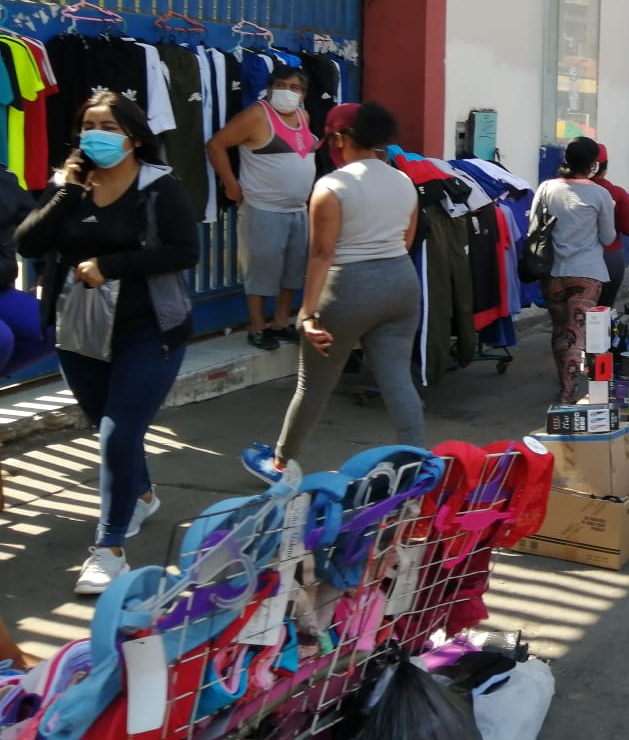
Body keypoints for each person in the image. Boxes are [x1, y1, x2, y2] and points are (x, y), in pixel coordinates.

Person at [16, 92, 199, 595]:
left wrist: (111, 266)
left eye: (108, 126)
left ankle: (109, 548)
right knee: (109, 426)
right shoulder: (69, 186)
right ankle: (140, 494)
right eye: (88, 124)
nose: (95, 133)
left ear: (134, 137)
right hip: (80, 331)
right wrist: (66, 193)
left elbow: (186, 252)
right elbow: (27, 244)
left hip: (148, 330)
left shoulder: (159, 188)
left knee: (117, 434)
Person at [241, 103, 423, 483]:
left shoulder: (331, 186)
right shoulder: (404, 181)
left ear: (340, 138)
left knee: (312, 385)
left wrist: (306, 313)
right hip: (401, 284)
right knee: (397, 380)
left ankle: (280, 464)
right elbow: (405, 241)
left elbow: (322, 254)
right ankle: (419, 467)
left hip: (348, 288)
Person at [207, 65, 317, 351]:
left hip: (297, 209)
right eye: (281, 85)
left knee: (292, 271)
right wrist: (231, 184)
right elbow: (217, 145)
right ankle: (257, 327)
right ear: (270, 88)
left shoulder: (303, 116)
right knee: (261, 269)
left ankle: (281, 322)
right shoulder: (256, 115)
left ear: (303, 93)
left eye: (294, 88)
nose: (287, 92)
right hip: (263, 207)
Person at [532, 137, 617, 403]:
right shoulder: (600, 194)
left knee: (559, 330)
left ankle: (564, 381)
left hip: (553, 272)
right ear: (593, 164)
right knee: (576, 333)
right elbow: (607, 237)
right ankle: (569, 393)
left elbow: (533, 230)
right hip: (587, 273)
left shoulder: (546, 188)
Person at [0, 168, 51, 377]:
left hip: (1, 288)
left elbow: (36, 226)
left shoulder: (3, 179)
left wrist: (46, 268)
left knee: (51, 329)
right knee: (2, 339)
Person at [590, 144, 629, 309]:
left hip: (569, 261)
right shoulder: (614, 193)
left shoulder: (556, 190)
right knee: (602, 313)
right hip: (608, 258)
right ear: (604, 167)